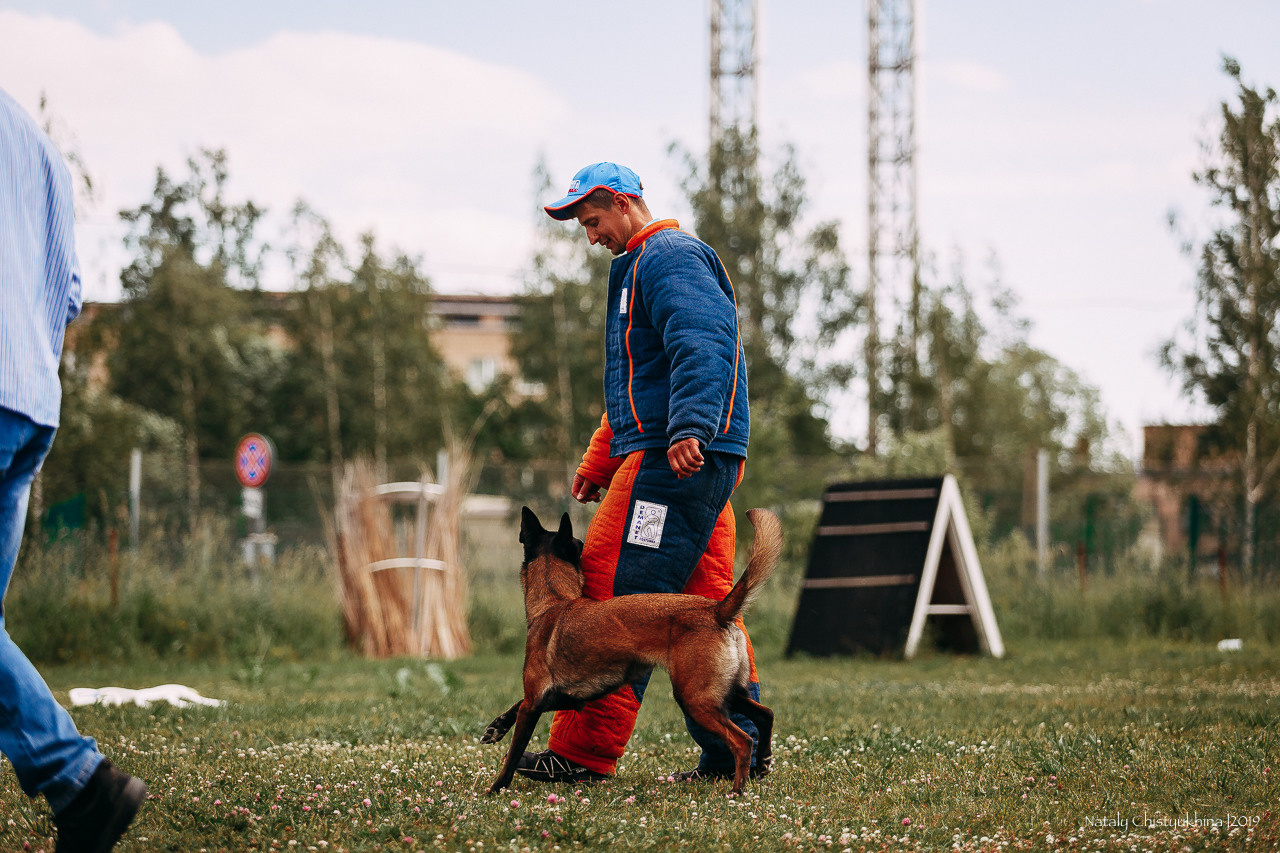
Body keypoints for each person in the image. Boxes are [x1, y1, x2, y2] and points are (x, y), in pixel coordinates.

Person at [516, 162, 763, 784]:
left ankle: (581, 754)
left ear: (622, 203)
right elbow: (638, 383)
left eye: (592, 219)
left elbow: (702, 341)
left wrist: (690, 428)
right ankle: (737, 753)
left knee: (610, 594)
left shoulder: (668, 257)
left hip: (675, 457)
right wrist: (600, 459)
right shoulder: (638, 266)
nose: (589, 234)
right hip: (679, 456)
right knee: (710, 610)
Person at [0, 87, 146, 852]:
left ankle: (80, 780)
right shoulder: (36, 139)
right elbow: (70, 295)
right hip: (29, 398)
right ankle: (77, 786)